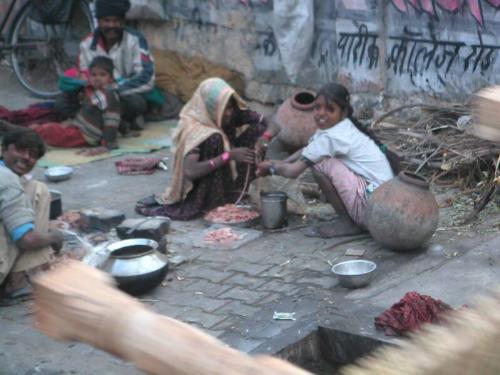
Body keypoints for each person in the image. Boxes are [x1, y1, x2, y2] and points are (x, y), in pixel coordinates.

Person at [257, 83, 394, 238]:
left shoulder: (332, 137)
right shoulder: (339, 128)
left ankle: (347, 223)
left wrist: (271, 168)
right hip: (381, 207)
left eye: (330, 109)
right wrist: (279, 163)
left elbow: (294, 171)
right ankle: (348, 219)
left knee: (321, 162)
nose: (321, 113)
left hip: (371, 211)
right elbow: (307, 150)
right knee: (319, 157)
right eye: (317, 107)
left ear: (343, 113)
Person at [135, 77, 279, 220]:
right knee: (214, 138)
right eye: (224, 109)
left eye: (229, 107)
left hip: (228, 162)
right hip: (203, 180)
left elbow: (272, 122)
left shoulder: (230, 113)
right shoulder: (195, 129)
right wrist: (228, 156)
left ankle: (237, 191)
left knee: (258, 129)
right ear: (211, 108)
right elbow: (190, 171)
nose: (228, 113)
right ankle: (211, 201)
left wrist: (265, 138)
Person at [54, 0, 162, 130]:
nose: (111, 25)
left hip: (123, 94)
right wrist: (87, 85)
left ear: (122, 22)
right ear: (99, 22)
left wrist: (113, 88)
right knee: (61, 103)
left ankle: (93, 120)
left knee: (136, 103)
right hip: (94, 96)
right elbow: (83, 74)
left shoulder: (135, 40)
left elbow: (147, 78)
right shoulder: (86, 44)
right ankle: (116, 122)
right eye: (106, 21)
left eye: (116, 21)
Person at [2, 57, 121, 156]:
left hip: (86, 136)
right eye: (94, 75)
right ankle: (18, 129)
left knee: (48, 131)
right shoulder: (96, 92)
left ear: (110, 79)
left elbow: (111, 121)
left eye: (102, 75)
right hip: (78, 129)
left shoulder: (109, 96)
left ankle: (14, 131)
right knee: (49, 127)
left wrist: (106, 145)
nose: (97, 78)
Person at [0, 129, 63, 305]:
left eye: (33, 155)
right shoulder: (7, 179)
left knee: (34, 187)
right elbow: (26, 240)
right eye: (20, 149)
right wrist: (55, 237)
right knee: (40, 190)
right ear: (4, 149)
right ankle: (16, 281)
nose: (27, 157)